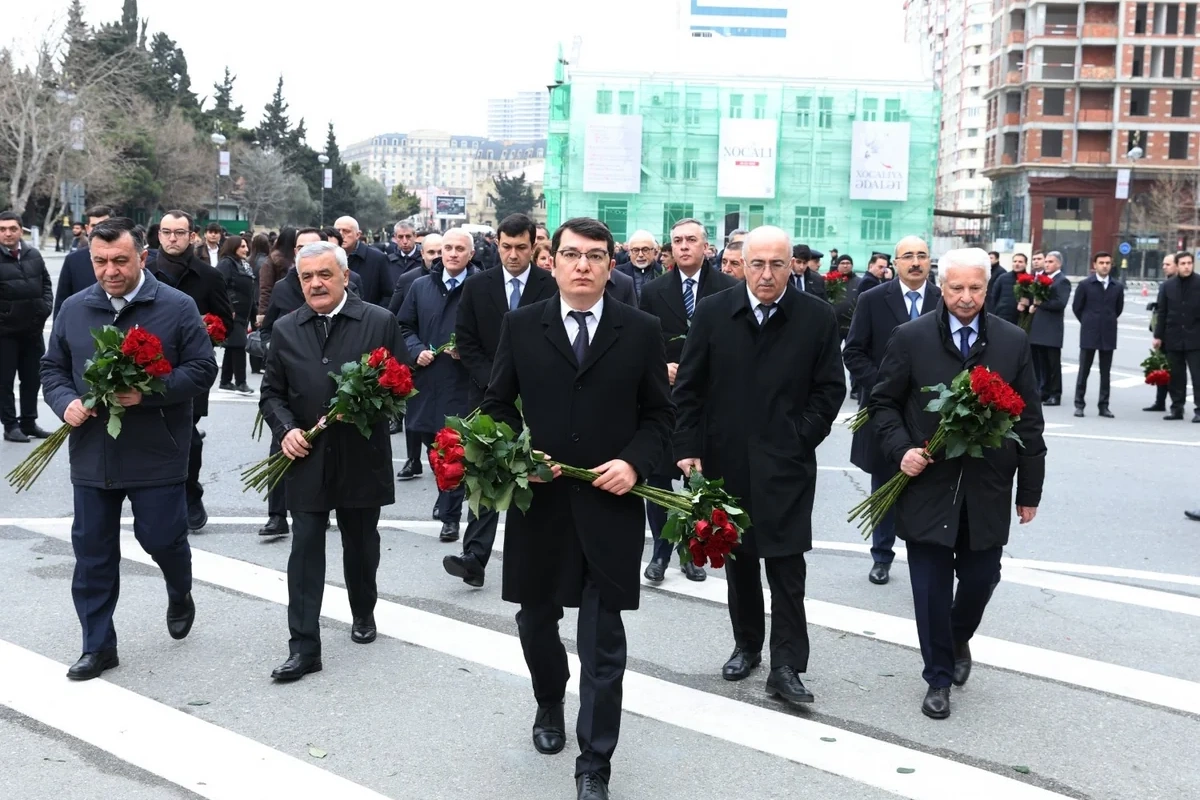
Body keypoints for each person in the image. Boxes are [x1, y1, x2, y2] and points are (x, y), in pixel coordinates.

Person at [482, 217, 673, 800]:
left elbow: (660, 416)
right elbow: (496, 405)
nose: (582, 265)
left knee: (602, 641)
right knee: (535, 621)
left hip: (610, 506)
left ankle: (595, 762)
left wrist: (634, 464)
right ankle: (549, 700)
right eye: (571, 255)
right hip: (539, 502)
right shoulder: (522, 325)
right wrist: (519, 453)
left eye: (594, 256)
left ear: (612, 265)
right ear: (553, 261)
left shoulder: (640, 330)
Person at [673, 225, 846, 705]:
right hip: (726, 458)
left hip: (787, 460)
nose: (766, 274)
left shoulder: (815, 316)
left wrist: (800, 435)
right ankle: (747, 645)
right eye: (757, 264)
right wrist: (687, 446)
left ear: (792, 266)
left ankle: (786, 665)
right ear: (741, 265)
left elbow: (830, 389)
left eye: (777, 264)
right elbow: (689, 387)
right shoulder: (714, 312)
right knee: (740, 560)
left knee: (787, 564)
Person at [870, 248, 1045, 719]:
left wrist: (1029, 490)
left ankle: (956, 635)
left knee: (982, 577)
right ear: (941, 287)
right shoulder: (911, 337)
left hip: (988, 485)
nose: (966, 297)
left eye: (975, 288)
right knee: (930, 588)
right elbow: (882, 404)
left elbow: (1030, 419)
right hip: (929, 484)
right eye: (956, 288)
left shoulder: (1011, 340)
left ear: (987, 288)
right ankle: (938, 677)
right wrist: (901, 449)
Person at [41, 217, 218, 680]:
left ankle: (179, 588)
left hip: (156, 449)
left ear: (142, 256)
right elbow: (52, 368)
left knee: (161, 538)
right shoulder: (75, 308)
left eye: (120, 260)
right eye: (100, 261)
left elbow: (203, 368)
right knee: (92, 554)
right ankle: (98, 646)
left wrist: (149, 392)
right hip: (92, 452)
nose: (109, 271)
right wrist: (65, 402)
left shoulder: (176, 306)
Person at [259, 241, 408, 682]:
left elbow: (402, 385)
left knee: (360, 545)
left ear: (345, 276)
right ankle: (304, 647)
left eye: (325, 274)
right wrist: (286, 430)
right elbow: (271, 393)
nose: (316, 284)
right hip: (306, 457)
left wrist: (367, 406)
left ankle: (363, 608)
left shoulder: (378, 321)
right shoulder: (286, 328)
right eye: (307, 277)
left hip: (362, 456)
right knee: (305, 548)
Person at [444, 214, 556, 587]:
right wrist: (496, 381)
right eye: (506, 247)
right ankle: (474, 557)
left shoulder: (551, 286)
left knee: (535, 473)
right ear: (497, 243)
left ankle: (537, 558)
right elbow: (466, 340)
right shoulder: (477, 286)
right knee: (487, 472)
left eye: (521, 247)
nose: (513, 254)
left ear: (534, 245)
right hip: (489, 396)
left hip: (539, 397)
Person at [637, 218, 738, 583]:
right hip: (665, 400)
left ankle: (691, 552)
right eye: (677, 240)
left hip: (710, 402)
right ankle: (661, 552)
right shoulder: (654, 290)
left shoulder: (728, 288)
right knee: (658, 481)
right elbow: (642, 340)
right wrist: (659, 367)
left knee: (699, 482)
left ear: (705, 246)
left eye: (691, 240)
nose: (683, 246)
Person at [843, 236, 941, 585]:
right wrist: (884, 385)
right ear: (895, 263)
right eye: (907, 256)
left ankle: (925, 557)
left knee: (929, 484)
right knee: (885, 481)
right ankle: (882, 555)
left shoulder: (943, 299)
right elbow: (854, 351)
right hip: (884, 409)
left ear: (929, 262)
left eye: (921, 256)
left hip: (931, 411)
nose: (915, 262)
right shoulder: (872, 299)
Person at [150, 210, 233, 532]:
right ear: (159, 235)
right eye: (167, 232)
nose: (172, 238)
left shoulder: (208, 276)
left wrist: (206, 330)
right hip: (144, 366)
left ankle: (189, 492)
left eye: (179, 232)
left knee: (188, 437)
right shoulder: (144, 272)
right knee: (152, 435)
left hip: (191, 369)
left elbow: (225, 322)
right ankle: (159, 496)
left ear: (191, 236)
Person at [398, 229, 477, 541]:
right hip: (428, 382)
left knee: (453, 451)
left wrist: (468, 351)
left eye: (460, 249)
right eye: (448, 248)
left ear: (471, 254)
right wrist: (416, 350)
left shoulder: (480, 286)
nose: (453, 253)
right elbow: (404, 326)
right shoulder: (420, 286)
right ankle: (446, 495)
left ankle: (450, 517)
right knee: (434, 450)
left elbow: (495, 331)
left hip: (463, 385)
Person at [390, 233, 442, 482]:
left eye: (440, 252)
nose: (437, 257)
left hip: (445, 359)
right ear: (422, 254)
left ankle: (439, 460)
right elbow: (396, 317)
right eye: (431, 252)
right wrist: (413, 349)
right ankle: (413, 459)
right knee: (415, 414)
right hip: (415, 357)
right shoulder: (410, 280)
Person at [0, 211, 54, 442]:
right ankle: (10, 426)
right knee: (4, 381)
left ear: (21, 230)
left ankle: (29, 423)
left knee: (33, 379)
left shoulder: (33, 254)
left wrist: (44, 308)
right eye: (2, 229)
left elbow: (46, 284)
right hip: (5, 333)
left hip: (32, 330)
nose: (8, 233)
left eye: (12, 228)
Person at [1072, 252, 1124, 417]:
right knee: (1084, 371)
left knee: (1105, 372)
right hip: (1089, 333)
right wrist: (1088, 321)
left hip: (1108, 333)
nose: (1104, 266)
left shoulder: (1117, 286)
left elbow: (1118, 309)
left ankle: (1104, 405)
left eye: (1107, 263)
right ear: (1095, 265)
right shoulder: (1085, 285)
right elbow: (1077, 307)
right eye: (1101, 262)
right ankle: (1079, 404)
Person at [1153, 251, 1200, 423]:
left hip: (1196, 338)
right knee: (1176, 376)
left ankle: (1199, 410)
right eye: (1183, 264)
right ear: (1177, 266)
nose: (1187, 266)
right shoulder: (1168, 286)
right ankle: (1177, 408)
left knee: (1197, 376)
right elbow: (1162, 312)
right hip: (1173, 337)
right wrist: (1158, 336)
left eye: (1189, 263)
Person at [54, 206, 113, 318]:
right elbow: (61, 302)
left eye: (105, 225)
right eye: (94, 226)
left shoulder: (128, 257)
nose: (100, 230)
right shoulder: (73, 260)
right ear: (87, 228)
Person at [214, 235, 255, 394]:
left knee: (233, 346)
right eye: (242, 246)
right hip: (232, 312)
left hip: (243, 313)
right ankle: (241, 382)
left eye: (246, 246)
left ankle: (225, 382)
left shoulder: (242, 264)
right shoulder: (226, 263)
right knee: (239, 345)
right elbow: (219, 286)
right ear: (233, 247)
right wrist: (229, 307)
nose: (246, 249)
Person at [1029, 251, 1071, 405]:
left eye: (1050, 262)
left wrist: (1041, 303)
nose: (1047, 264)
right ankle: (1044, 391)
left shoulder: (1062, 281)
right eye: (1046, 261)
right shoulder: (1042, 279)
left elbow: (1060, 303)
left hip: (1052, 329)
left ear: (1059, 264)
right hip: (1039, 327)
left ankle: (1055, 394)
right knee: (1041, 363)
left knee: (1053, 364)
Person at [335, 216, 393, 307]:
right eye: (337, 231)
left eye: (346, 231)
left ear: (358, 235)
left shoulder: (378, 258)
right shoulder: (326, 258)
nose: (341, 235)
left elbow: (388, 295)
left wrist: (375, 314)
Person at [1145, 253, 1178, 412]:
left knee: (1175, 370)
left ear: (1177, 265)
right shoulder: (1166, 284)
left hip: (1175, 333)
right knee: (1162, 367)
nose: (1164, 267)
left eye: (1168, 264)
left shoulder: (1179, 284)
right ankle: (1160, 401)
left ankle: (1176, 404)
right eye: (1164, 264)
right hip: (1163, 332)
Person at [257, 228, 297, 327]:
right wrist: (263, 313)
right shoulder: (271, 262)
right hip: (278, 309)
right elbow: (265, 289)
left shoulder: (296, 260)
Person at [614, 230, 663, 302]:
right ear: (629, 252)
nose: (640, 255)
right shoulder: (617, 273)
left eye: (645, 250)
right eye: (635, 250)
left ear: (654, 251)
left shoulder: (663, 272)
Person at [988, 252, 1027, 325]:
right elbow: (994, 297)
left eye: (1020, 262)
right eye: (1015, 261)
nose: (1017, 264)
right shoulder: (1002, 278)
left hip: (1020, 318)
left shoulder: (1030, 280)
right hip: (1002, 316)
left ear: (1026, 264)